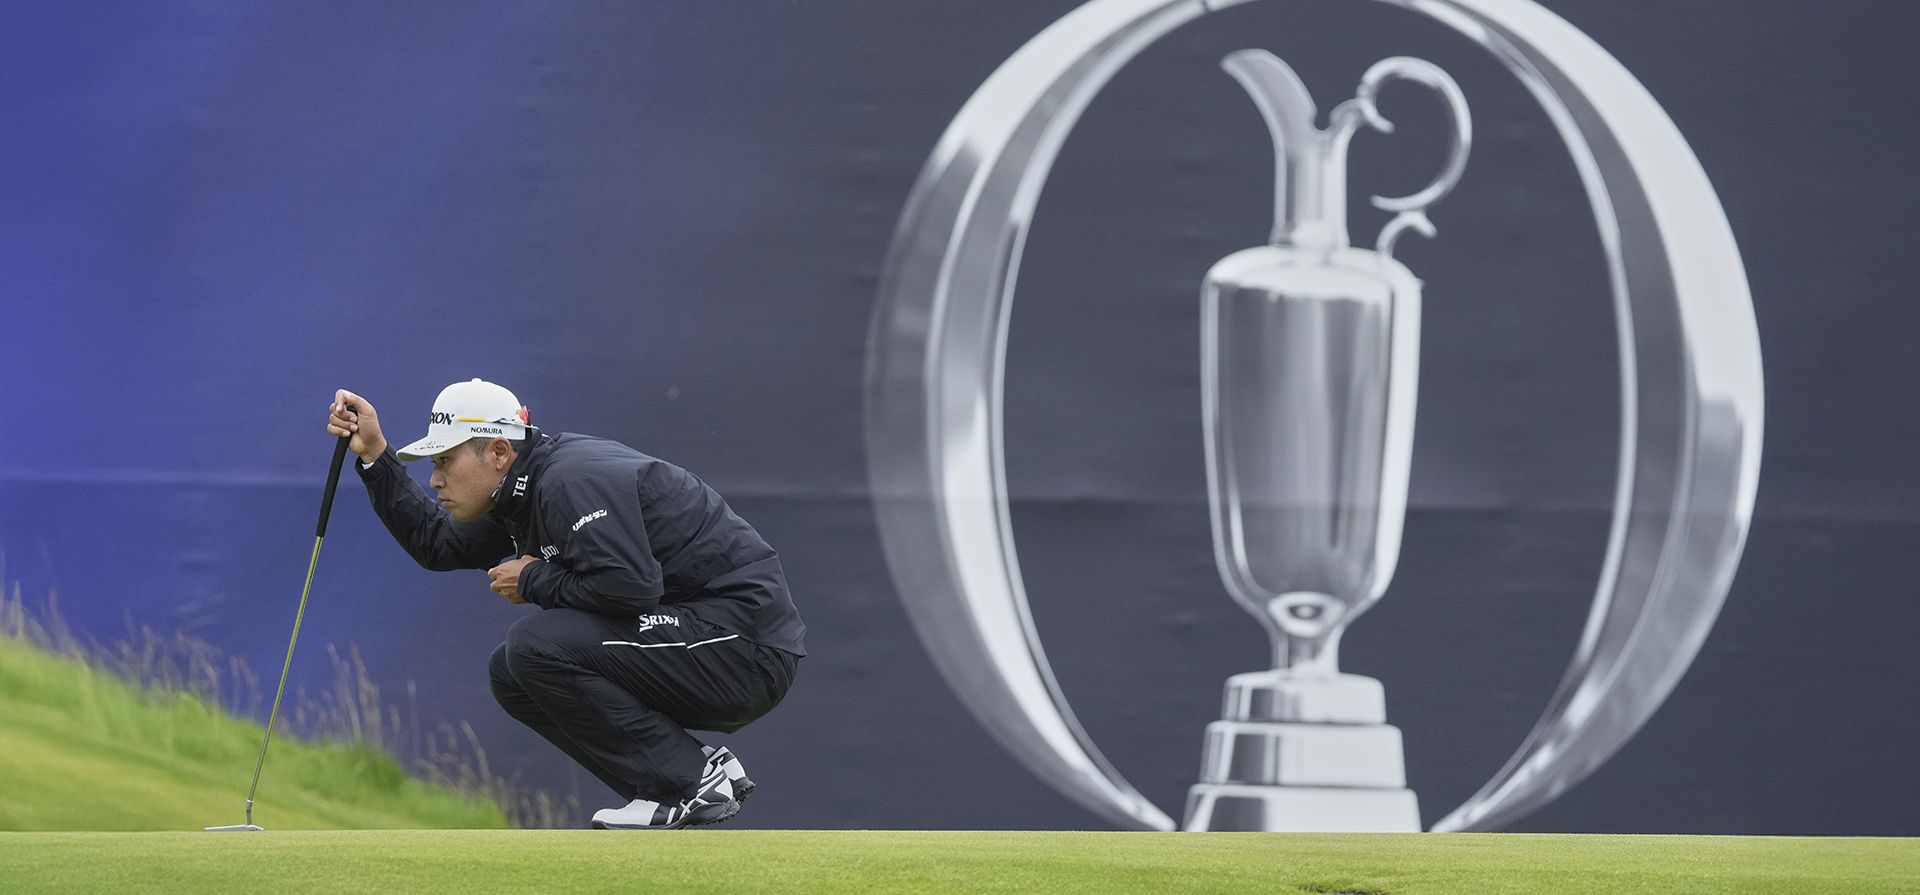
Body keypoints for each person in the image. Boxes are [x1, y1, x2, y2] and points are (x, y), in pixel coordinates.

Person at [325, 378, 805, 829]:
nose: (434, 480)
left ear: (497, 451)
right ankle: (676, 784)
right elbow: (439, 544)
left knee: (535, 644)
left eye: (445, 461)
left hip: (744, 646)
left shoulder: (567, 480)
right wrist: (375, 457)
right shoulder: (520, 489)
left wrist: (533, 577)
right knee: (512, 673)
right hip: (705, 640)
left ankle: (689, 782)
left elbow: (632, 587)